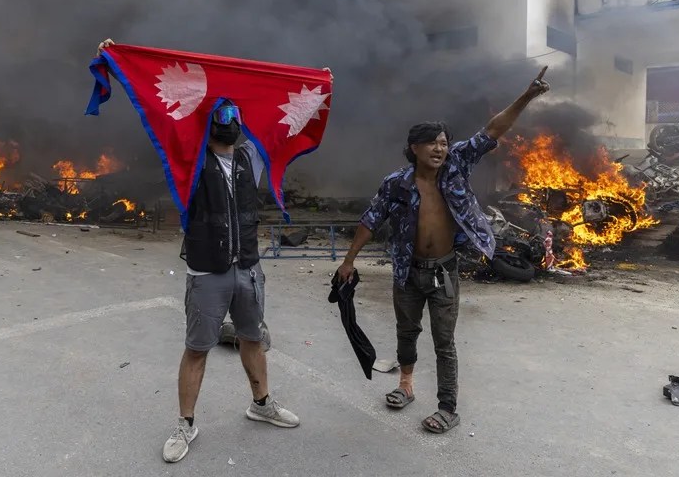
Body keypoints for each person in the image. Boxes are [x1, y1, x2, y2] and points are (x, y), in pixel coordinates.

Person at [96, 40, 299, 465]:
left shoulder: (252, 158)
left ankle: (260, 404)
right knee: (197, 348)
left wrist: (316, 81)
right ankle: (185, 423)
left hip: (248, 266)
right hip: (207, 270)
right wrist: (118, 61)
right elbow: (154, 108)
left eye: (234, 114)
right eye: (220, 114)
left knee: (252, 338)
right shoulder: (188, 160)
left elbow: (282, 119)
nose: (228, 121)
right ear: (209, 121)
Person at [335, 67, 550, 434]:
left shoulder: (457, 166)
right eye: (432, 142)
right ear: (414, 148)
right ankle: (405, 385)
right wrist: (348, 261)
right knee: (406, 331)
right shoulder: (396, 184)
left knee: (444, 341)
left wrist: (527, 96)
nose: (440, 148)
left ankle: (448, 407)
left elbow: (493, 130)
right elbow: (370, 220)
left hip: (443, 271)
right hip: (407, 269)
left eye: (444, 142)